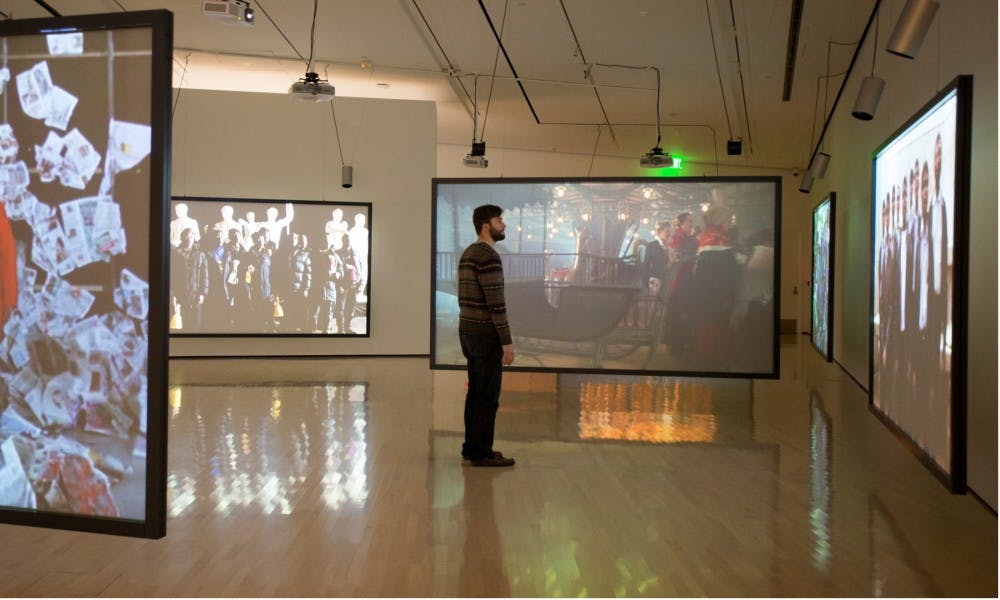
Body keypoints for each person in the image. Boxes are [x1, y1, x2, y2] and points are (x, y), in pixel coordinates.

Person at [457, 204, 515, 467]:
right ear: (485, 225)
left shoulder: (468, 253)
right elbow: (496, 305)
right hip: (485, 336)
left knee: (475, 393)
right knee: (487, 397)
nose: (503, 225)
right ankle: (482, 453)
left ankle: (472, 447)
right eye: (499, 220)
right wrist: (507, 342)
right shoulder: (488, 257)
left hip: (468, 332)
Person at [171, 227, 208, 331]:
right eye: (186, 237)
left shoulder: (200, 255)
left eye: (191, 237)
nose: (189, 239)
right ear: (182, 238)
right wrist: (173, 295)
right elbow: (172, 276)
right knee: (180, 326)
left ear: (194, 239)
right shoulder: (175, 255)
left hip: (195, 295)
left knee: (195, 325)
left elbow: (205, 276)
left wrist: (202, 293)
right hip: (179, 296)